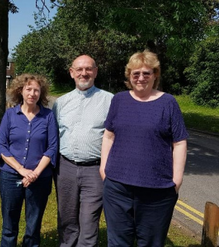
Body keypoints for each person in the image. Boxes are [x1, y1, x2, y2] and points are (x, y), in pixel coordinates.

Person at [100, 50, 188, 247]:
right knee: (117, 243)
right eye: (135, 74)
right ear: (129, 76)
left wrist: (177, 180)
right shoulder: (119, 100)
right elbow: (108, 135)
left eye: (146, 73)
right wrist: (103, 168)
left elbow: (180, 142)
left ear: (155, 75)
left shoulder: (168, 103)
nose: (140, 78)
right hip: (117, 187)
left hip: (157, 191)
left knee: (150, 243)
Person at [53, 55, 114, 247]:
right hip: (65, 168)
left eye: (88, 69)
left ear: (95, 72)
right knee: (67, 220)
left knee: (88, 222)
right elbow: (53, 136)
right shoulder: (60, 103)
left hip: (95, 170)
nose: (84, 73)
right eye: (79, 69)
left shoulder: (109, 101)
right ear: (71, 73)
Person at [0, 73, 58, 247]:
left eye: (36, 90)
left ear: (41, 93)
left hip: (40, 179)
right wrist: (22, 170)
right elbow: (1, 146)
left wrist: (35, 173)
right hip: (10, 177)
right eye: (28, 89)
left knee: (33, 226)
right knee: (9, 226)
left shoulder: (48, 116)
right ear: (21, 91)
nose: (32, 93)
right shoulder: (10, 115)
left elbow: (52, 148)